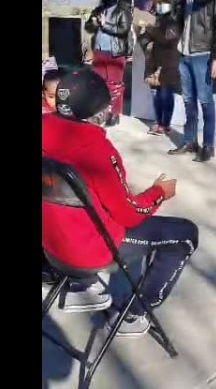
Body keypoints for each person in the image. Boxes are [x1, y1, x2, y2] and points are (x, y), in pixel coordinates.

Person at [42, 68, 199, 336]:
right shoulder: (97, 150)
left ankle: (67, 279)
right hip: (87, 250)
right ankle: (133, 315)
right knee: (184, 235)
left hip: (49, 244)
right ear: (97, 110)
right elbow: (129, 214)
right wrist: (158, 192)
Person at [151, 0, 216, 163]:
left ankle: (208, 146)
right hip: (183, 55)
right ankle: (189, 141)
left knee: (205, 102)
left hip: (203, 56)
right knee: (188, 101)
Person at [85, 0, 132, 127]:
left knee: (114, 85)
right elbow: (88, 27)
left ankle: (114, 114)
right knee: (99, 83)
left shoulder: (123, 11)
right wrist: (92, 23)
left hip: (115, 53)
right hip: (99, 51)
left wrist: (105, 25)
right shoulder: (99, 10)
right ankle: (100, 112)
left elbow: (123, 30)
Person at [138, 0, 181, 136]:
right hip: (153, 62)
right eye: (158, 3)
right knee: (155, 93)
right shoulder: (154, 19)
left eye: (163, 3)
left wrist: (151, 29)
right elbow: (143, 40)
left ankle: (165, 124)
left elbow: (167, 40)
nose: (160, 6)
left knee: (166, 95)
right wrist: (142, 31)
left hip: (169, 63)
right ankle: (158, 121)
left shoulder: (175, 20)